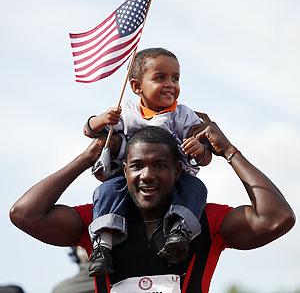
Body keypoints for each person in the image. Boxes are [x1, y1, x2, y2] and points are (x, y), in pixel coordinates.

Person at [10, 120, 295, 293]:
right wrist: (88, 157)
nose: (147, 175)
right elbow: (25, 214)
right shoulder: (101, 220)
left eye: (160, 165)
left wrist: (230, 152)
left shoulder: (205, 218)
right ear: (124, 171)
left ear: (178, 171)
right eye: (137, 166)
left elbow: (276, 219)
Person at [84, 47, 212, 275]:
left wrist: (199, 148)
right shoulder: (128, 112)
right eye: (160, 78)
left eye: (175, 78)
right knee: (107, 191)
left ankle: (179, 233)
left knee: (196, 188)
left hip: (175, 179)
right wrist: (101, 119)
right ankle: (103, 245)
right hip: (130, 181)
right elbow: (90, 131)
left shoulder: (182, 115)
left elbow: (205, 156)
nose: (170, 84)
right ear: (135, 86)